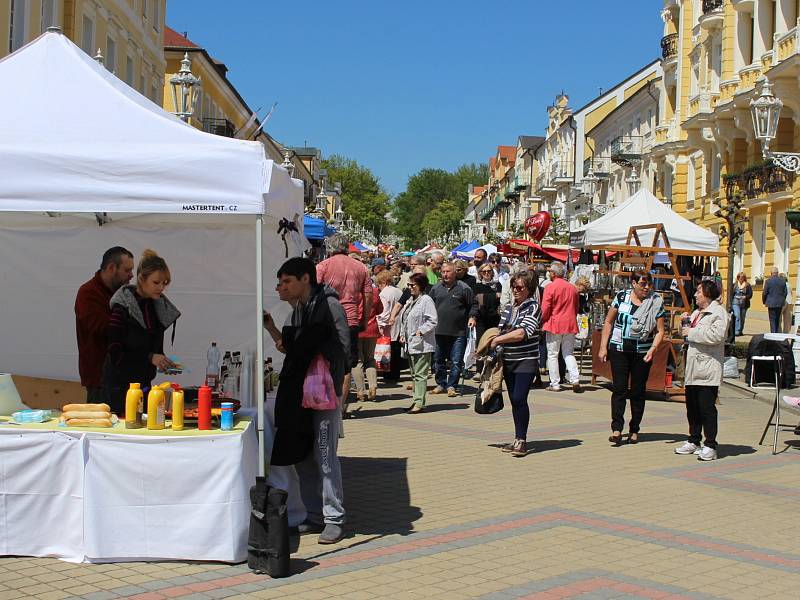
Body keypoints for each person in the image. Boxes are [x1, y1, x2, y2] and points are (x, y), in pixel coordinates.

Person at [262, 257, 349, 544]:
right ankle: (315, 515)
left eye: (286, 281)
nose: (280, 287)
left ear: (305, 280)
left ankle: (334, 517)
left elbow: (343, 351)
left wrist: (339, 393)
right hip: (303, 392)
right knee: (305, 456)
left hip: (324, 393)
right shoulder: (298, 311)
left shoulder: (329, 306)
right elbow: (293, 350)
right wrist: (272, 327)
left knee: (325, 455)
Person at [102, 250, 180, 416]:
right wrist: (150, 357)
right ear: (141, 279)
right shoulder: (121, 309)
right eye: (156, 282)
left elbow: (153, 347)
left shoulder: (156, 308)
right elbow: (115, 352)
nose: (161, 288)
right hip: (120, 390)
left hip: (144, 386)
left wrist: (163, 361)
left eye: (165, 283)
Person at [598, 271, 666, 445]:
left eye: (649, 284)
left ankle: (634, 429)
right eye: (643, 283)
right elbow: (608, 322)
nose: (646, 287)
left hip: (642, 352)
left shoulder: (655, 302)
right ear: (633, 283)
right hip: (619, 349)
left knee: (637, 391)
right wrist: (603, 346)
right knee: (619, 389)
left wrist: (653, 349)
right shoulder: (621, 297)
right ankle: (617, 428)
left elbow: (660, 331)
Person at [316, 234, 372, 416]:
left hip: (327, 318)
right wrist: (364, 320)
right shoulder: (361, 267)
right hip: (351, 319)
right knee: (346, 365)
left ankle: (323, 403)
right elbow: (368, 295)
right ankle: (340, 407)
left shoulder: (323, 266)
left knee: (323, 361)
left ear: (330, 248)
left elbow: (313, 293)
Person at [675, 280, 728, 461]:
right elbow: (687, 334)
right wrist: (684, 325)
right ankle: (694, 440)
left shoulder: (718, 312)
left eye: (698, 292)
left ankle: (711, 445)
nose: (695, 295)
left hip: (708, 368)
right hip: (693, 368)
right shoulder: (697, 313)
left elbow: (717, 336)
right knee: (692, 407)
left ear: (707, 293)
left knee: (706, 408)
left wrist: (691, 332)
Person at [490, 271, 541, 457]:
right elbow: (501, 329)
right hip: (508, 360)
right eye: (513, 286)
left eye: (519, 287)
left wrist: (498, 340)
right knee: (514, 401)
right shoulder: (509, 308)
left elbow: (522, 332)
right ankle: (518, 438)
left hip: (526, 359)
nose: (515, 290)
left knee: (520, 398)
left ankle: (522, 440)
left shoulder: (533, 307)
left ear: (529, 289)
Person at [75, 247, 134, 403]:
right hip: (100, 380)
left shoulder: (120, 294)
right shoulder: (88, 293)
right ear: (111, 268)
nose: (131, 275)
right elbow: (105, 328)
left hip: (121, 376)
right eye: (127, 270)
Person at [428, 262, 476, 397]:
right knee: (438, 359)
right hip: (438, 331)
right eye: (443, 272)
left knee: (456, 361)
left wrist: (472, 317)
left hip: (458, 332)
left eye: (448, 272)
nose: (445, 274)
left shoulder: (463, 288)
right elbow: (428, 305)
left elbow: (473, 304)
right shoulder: (436, 288)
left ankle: (452, 386)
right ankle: (441, 383)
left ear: (455, 273)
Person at [400, 273, 438, 413]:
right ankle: (416, 400)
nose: (409, 288)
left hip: (422, 343)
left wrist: (421, 331)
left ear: (421, 286)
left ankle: (419, 403)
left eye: (412, 285)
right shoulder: (411, 300)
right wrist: (402, 334)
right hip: (410, 343)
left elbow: (432, 320)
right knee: (414, 374)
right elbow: (405, 319)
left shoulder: (426, 300)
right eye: (409, 285)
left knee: (420, 373)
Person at [540, 261, 581, 392]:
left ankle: (555, 383)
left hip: (554, 323)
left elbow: (545, 309)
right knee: (568, 353)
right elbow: (576, 307)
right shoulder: (572, 287)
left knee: (552, 354)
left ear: (553, 273)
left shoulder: (550, 287)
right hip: (569, 323)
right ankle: (575, 379)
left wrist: (542, 321)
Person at [352, 285, 383, 401]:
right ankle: (373, 386)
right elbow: (381, 309)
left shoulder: (352, 291)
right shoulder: (374, 291)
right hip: (371, 328)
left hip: (356, 328)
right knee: (370, 359)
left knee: (357, 361)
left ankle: (360, 392)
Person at [473, 262, 503, 378]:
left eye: (488, 271)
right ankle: (479, 370)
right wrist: (494, 296)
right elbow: (478, 299)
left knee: (493, 343)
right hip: (481, 319)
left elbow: (499, 299)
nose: (486, 274)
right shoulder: (477, 286)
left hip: (495, 318)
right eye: (484, 271)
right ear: (480, 273)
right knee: (480, 343)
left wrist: (485, 298)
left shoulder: (498, 285)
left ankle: (492, 368)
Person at [376, 270, 403, 383]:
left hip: (388, 325)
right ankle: (396, 374)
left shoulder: (384, 294)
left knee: (387, 350)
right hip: (398, 323)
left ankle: (388, 374)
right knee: (396, 350)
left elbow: (384, 311)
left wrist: (380, 324)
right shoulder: (398, 291)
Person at [762, 267, 787, 333]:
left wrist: (764, 301)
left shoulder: (768, 281)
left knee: (772, 319)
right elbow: (785, 293)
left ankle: (773, 333)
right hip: (779, 303)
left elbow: (764, 293)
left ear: (771, 273)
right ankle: (776, 332)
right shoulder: (782, 281)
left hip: (771, 303)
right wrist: (782, 299)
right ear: (777, 273)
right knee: (777, 319)